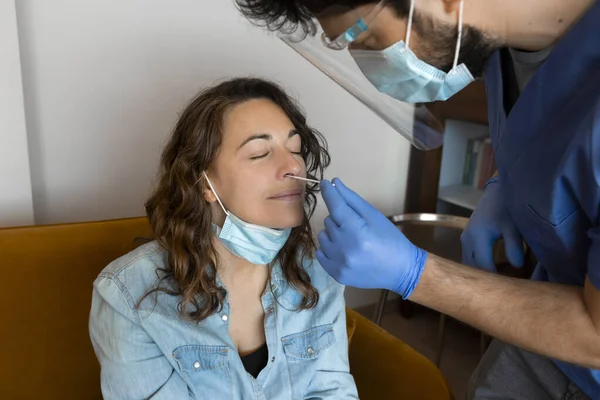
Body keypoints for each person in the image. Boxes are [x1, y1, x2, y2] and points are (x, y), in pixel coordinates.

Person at [235, 0, 600, 398]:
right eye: (257, 153)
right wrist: (503, 183)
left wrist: (415, 273)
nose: (370, 63)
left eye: (367, 37)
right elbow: (546, 129)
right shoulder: (502, 45)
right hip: (545, 328)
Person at [88, 77, 358, 399]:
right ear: (204, 185)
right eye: (259, 153)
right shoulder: (130, 296)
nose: (292, 166)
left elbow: (333, 392)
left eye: (296, 149)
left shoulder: (319, 273)